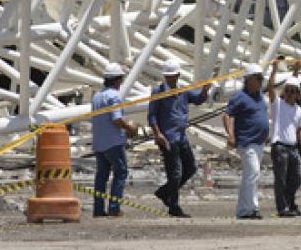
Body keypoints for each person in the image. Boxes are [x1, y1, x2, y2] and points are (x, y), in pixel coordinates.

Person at [148, 58, 212, 217]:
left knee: (190, 168)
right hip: (168, 139)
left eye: (172, 76)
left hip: (181, 137)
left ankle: (164, 192)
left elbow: (198, 100)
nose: (169, 78)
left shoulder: (183, 91)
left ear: (177, 76)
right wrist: (158, 134)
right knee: (175, 173)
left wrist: (205, 90)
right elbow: (152, 116)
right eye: (167, 76)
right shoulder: (159, 92)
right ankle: (174, 206)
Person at [91, 62, 138, 218]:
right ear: (118, 80)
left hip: (99, 142)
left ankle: (98, 209)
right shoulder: (114, 96)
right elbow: (117, 119)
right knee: (121, 173)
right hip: (113, 142)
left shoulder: (97, 96)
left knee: (101, 176)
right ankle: (114, 207)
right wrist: (130, 128)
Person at [223, 63, 269, 219]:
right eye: (258, 78)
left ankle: (248, 209)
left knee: (252, 175)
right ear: (249, 79)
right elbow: (227, 115)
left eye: (261, 78)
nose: (261, 81)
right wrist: (231, 135)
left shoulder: (260, 96)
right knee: (253, 173)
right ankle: (247, 209)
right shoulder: (239, 96)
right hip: (246, 141)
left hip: (259, 142)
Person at [267, 66, 301, 217]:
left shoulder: (299, 110)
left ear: (297, 94)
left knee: (297, 178)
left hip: (293, 147)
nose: (290, 94)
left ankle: (290, 203)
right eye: (288, 90)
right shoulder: (278, 104)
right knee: (281, 179)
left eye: (293, 91)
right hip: (280, 146)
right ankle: (282, 208)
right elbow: (270, 88)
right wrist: (274, 72)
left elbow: (300, 129)